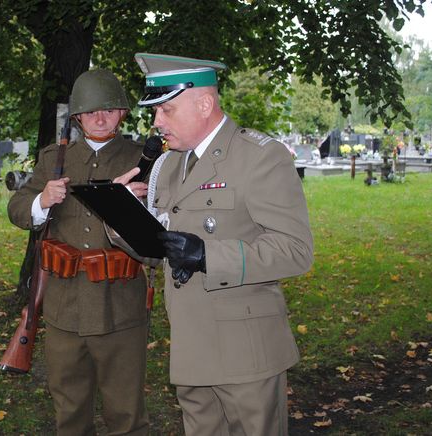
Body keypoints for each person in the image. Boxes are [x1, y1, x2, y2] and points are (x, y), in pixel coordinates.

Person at [134, 53, 314, 435]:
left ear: (204, 104)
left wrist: (206, 255)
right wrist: (121, 216)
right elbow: (158, 248)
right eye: (155, 112)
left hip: (245, 353)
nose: (157, 122)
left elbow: (296, 249)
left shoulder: (260, 157)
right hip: (191, 347)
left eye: (166, 109)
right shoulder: (168, 165)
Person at [7, 69, 149, 436]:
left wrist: (133, 208)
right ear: (77, 118)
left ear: (122, 113)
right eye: (90, 112)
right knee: (69, 416)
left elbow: (164, 230)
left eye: (108, 109)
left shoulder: (144, 161)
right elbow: (18, 208)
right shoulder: (54, 158)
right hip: (64, 310)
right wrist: (42, 199)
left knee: (127, 417)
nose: (99, 118)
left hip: (120, 308)